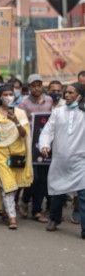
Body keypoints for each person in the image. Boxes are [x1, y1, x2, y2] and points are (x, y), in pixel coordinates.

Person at [39, 82, 85, 238]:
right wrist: (45, 145)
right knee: (58, 191)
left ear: (80, 96)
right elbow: (48, 131)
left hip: (80, 161)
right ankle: (54, 219)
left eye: (71, 93)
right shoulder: (58, 112)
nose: (67, 95)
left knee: (83, 194)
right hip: (60, 160)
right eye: (66, 92)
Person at [0, 84, 33, 230]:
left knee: (12, 187)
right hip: (0, 154)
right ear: (0, 96)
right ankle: (12, 218)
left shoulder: (20, 113)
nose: (8, 96)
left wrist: (15, 121)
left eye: (10, 93)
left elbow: (24, 134)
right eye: (5, 94)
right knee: (8, 187)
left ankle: (6, 211)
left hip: (17, 154)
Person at [18, 74, 53, 223]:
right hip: (30, 145)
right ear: (29, 87)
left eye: (39, 85)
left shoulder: (49, 100)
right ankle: (25, 200)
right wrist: (33, 124)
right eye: (34, 85)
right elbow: (21, 123)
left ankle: (36, 211)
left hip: (46, 145)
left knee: (43, 179)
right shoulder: (23, 104)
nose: (37, 88)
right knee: (33, 178)